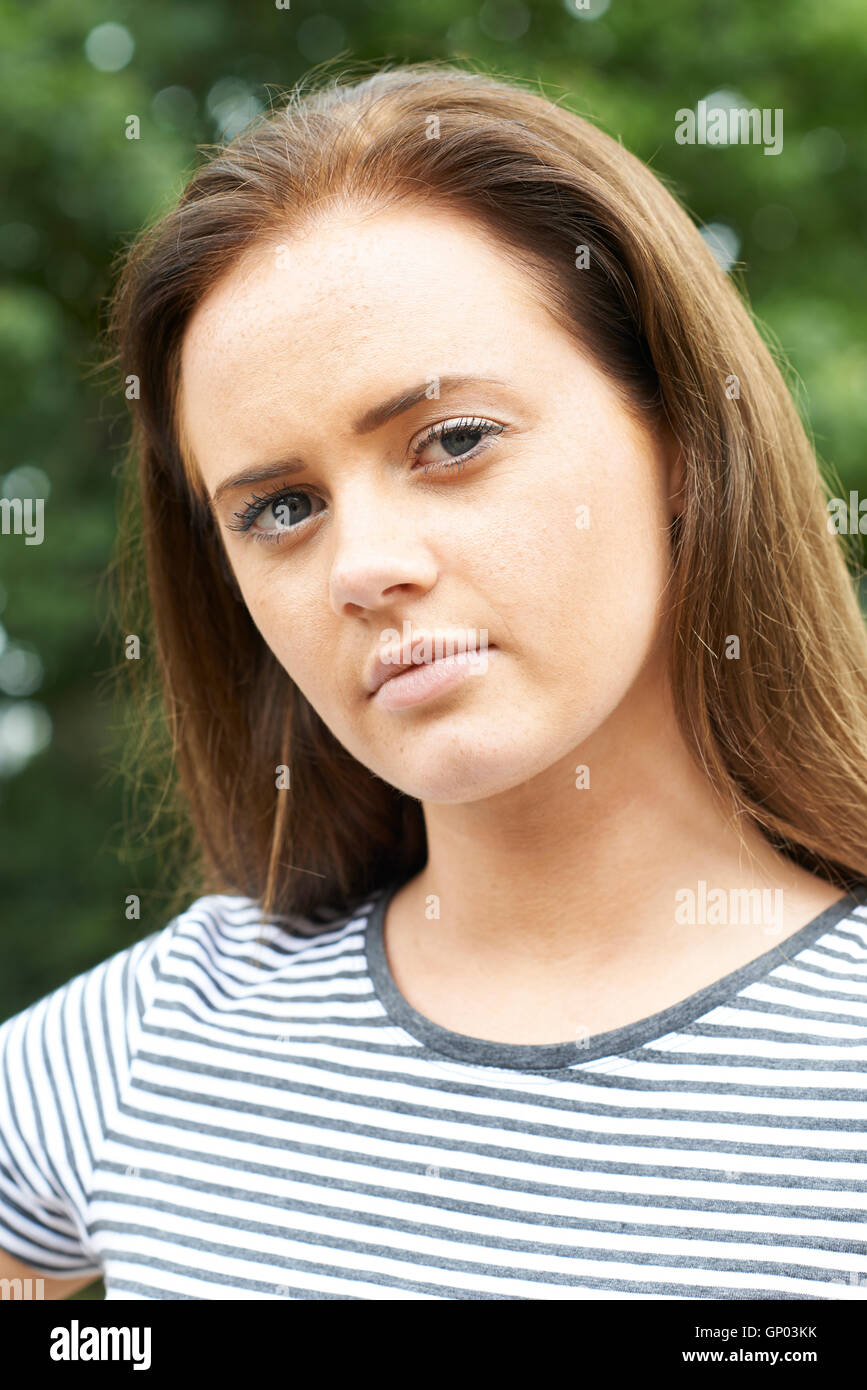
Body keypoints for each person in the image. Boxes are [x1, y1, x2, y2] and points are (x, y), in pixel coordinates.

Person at [2, 60, 867, 1301]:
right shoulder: (156, 1038)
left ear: (683, 441)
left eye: (453, 441)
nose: (364, 567)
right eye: (281, 507)